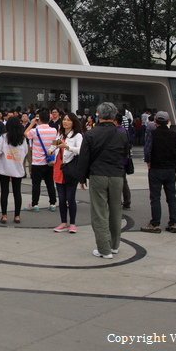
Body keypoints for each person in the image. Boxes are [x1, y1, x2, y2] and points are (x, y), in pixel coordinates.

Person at [77, 102, 130, 259]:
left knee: (99, 212)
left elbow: (84, 158)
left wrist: (82, 177)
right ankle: (114, 245)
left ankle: (104, 249)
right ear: (114, 116)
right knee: (115, 210)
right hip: (117, 175)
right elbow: (125, 154)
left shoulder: (91, 134)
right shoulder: (122, 133)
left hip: (98, 174)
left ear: (98, 115)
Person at [142, 111, 176, 234]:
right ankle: (174, 222)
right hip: (170, 169)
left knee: (155, 197)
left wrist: (148, 162)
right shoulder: (174, 135)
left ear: (155, 122)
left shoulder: (152, 134)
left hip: (156, 168)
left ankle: (155, 223)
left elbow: (147, 150)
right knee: (171, 197)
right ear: (168, 121)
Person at [53, 113, 84, 233]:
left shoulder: (77, 136)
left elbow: (80, 150)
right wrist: (51, 151)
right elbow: (53, 146)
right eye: (64, 120)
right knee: (61, 198)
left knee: (70, 198)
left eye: (68, 120)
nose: (65, 122)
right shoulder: (60, 134)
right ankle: (63, 222)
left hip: (70, 168)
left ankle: (73, 223)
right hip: (58, 167)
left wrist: (67, 147)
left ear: (73, 122)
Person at [0, 118, 28, 224]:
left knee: (4, 192)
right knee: (17, 192)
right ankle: (17, 216)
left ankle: (4, 216)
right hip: (17, 169)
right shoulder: (22, 139)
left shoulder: (4, 137)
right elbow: (26, 152)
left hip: (4, 168)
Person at [24, 110, 58, 212]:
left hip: (37, 162)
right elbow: (55, 144)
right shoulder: (54, 130)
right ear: (49, 118)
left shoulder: (35, 131)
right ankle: (52, 203)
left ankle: (35, 204)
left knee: (36, 184)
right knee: (50, 183)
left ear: (39, 119)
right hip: (49, 162)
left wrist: (32, 123)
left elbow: (25, 133)